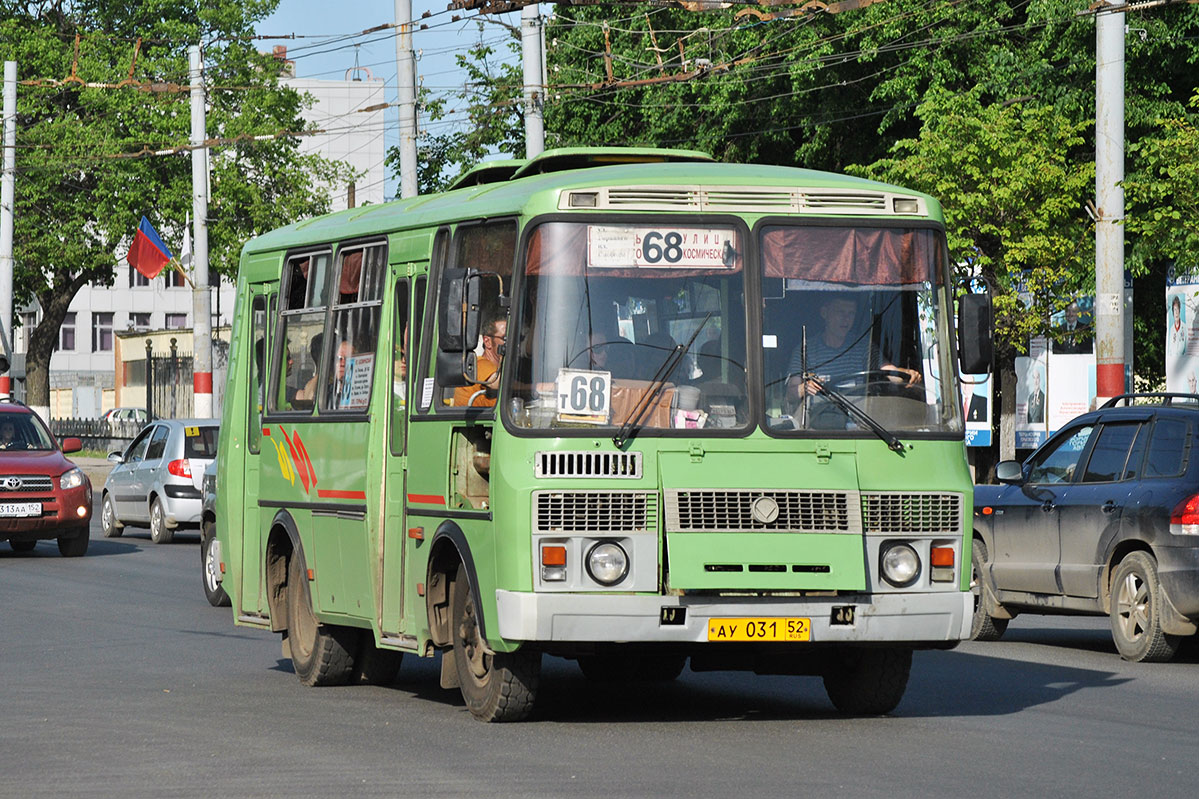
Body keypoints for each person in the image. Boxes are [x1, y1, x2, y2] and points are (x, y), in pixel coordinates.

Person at [785, 295, 920, 403]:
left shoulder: (862, 346)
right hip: (819, 423)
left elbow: (889, 372)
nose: (846, 319)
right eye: (840, 312)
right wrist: (805, 388)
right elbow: (791, 395)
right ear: (824, 313)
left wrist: (906, 374)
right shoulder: (805, 350)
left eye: (851, 314)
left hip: (859, 421)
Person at [453, 316, 506, 407]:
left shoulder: (499, 368)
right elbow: (496, 383)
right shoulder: (479, 364)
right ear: (487, 341)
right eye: (505, 338)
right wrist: (533, 386)